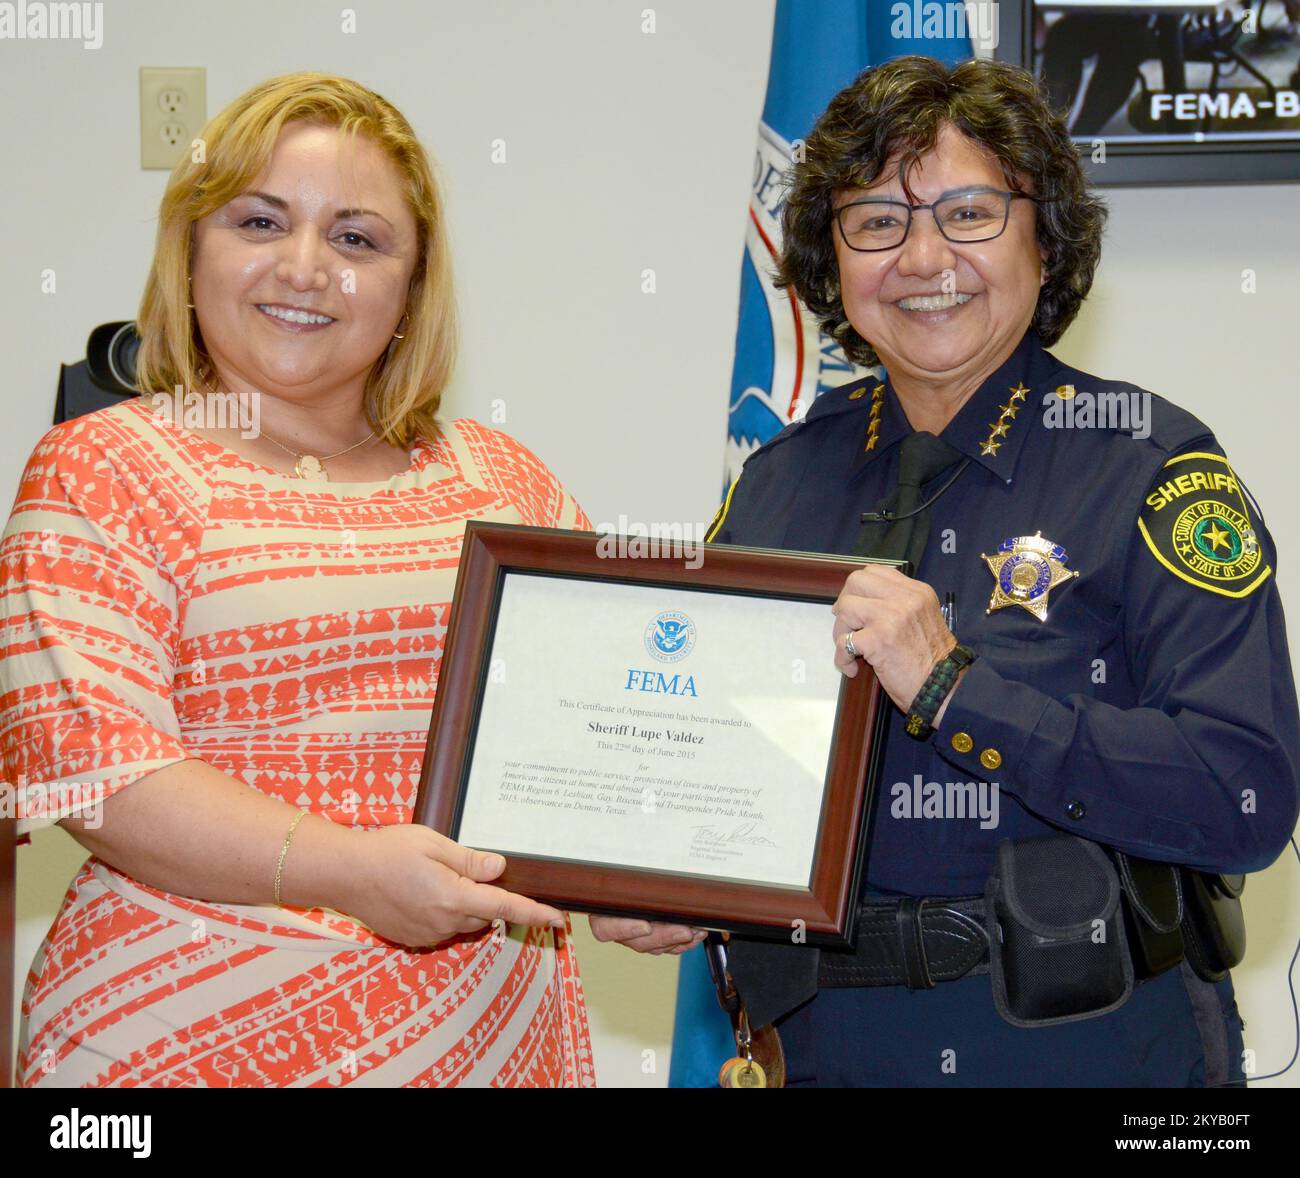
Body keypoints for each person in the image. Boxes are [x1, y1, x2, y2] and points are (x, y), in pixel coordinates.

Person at [593, 55, 1299, 1087]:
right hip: (821, 1050)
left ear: (1043, 235)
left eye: (967, 212)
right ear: (831, 262)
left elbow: (1246, 796)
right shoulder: (777, 487)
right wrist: (667, 873)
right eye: (875, 221)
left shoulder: (1151, 467)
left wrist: (956, 689)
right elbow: (721, 761)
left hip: (1086, 1047)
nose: (923, 256)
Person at [1, 73, 595, 1088]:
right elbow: (96, 773)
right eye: (261, 220)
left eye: (358, 238)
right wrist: (349, 873)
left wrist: (648, 879)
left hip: (483, 1040)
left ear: (413, 286)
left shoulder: (503, 478)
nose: (306, 267)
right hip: (176, 1041)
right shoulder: (104, 466)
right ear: (192, 248)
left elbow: (599, 726)